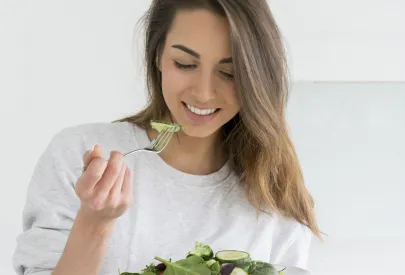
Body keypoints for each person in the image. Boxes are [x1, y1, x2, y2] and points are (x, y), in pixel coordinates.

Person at [13, 0, 321, 274]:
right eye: (185, 64)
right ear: (158, 55)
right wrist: (94, 223)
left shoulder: (273, 191)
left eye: (229, 73)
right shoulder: (77, 154)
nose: (203, 93)